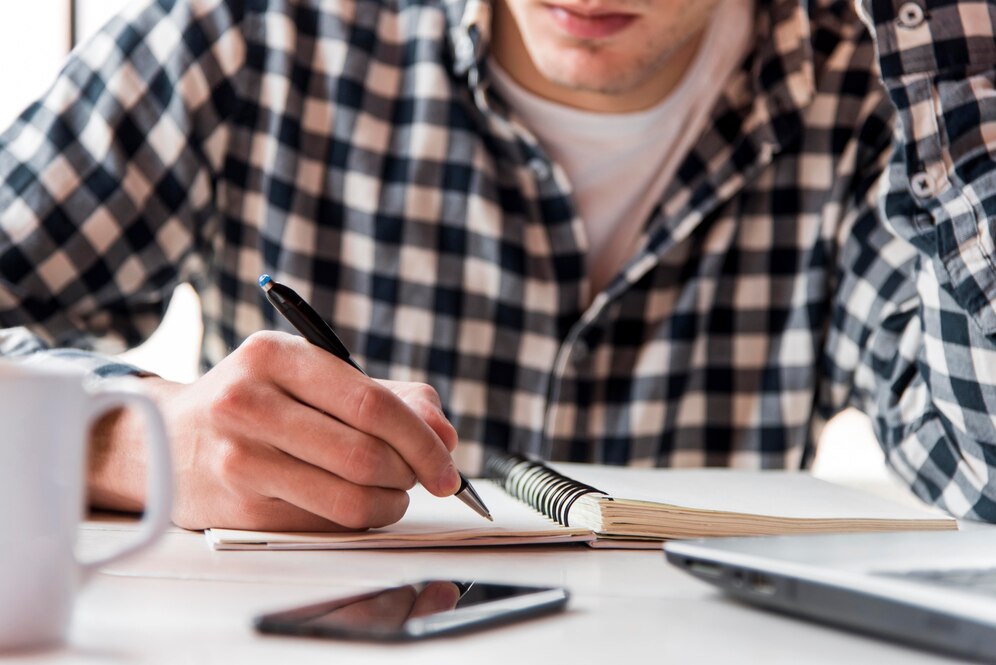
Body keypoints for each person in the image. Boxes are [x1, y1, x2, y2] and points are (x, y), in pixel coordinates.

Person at [1, 0, 995, 532]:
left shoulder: (888, 99)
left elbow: (982, 481)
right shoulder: (244, 35)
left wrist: (960, 69)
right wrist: (128, 440)